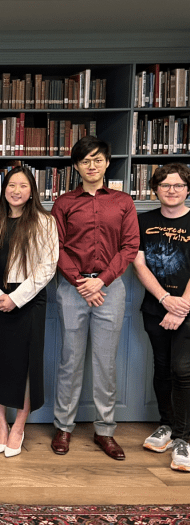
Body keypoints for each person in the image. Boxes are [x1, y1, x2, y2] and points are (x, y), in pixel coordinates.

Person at [50, 136, 139, 460]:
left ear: (106, 163)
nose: (91, 165)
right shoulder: (63, 203)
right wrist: (79, 281)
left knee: (105, 364)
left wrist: (100, 281)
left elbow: (129, 247)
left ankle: (105, 431)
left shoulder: (123, 202)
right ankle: (64, 427)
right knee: (69, 362)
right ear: (76, 166)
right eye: (85, 160)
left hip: (110, 290)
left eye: (97, 159)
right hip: (72, 290)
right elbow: (56, 246)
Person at [0, 166, 58, 457]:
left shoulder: (44, 221)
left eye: (23, 186)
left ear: (32, 190)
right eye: (11, 185)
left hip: (28, 302)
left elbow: (47, 267)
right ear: (4, 189)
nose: (16, 191)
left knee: (26, 366)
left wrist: (16, 298)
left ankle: (19, 426)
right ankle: (1, 424)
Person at [132, 163, 190, 472]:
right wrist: (165, 299)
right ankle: (166, 425)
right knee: (163, 367)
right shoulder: (143, 220)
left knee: (183, 370)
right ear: (156, 188)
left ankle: (184, 438)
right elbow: (139, 264)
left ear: (187, 189)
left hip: (187, 310)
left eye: (178, 185)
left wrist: (181, 307)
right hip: (156, 307)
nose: (172, 190)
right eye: (166, 185)